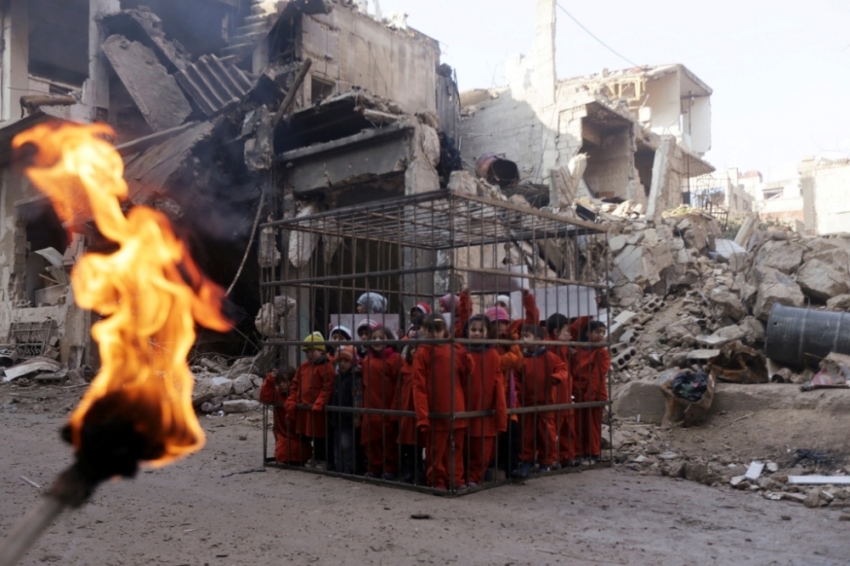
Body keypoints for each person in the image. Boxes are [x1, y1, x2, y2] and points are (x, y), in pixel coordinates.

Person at [412, 314, 471, 491]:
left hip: (456, 406)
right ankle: (437, 480)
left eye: (438, 330)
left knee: (456, 448)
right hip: (435, 410)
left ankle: (456, 478)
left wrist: (465, 356)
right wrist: (423, 416)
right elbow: (418, 386)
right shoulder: (422, 352)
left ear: (444, 331)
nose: (434, 334)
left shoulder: (455, 349)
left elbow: (467, 372)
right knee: (436, 450)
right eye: (431, 330)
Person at [516, 324, 568, 478]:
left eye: (526, 336)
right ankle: (526, 460)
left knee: (547, 434)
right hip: (527, 404)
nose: (522, 339)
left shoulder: (549, 357)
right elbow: (517, 379)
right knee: (526, 434)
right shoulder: (521, 358)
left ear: (538, 339)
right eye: (522, 336)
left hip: (546, 403)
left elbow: (562, 369)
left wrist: (557, 378)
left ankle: (546, 461)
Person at [462, 315, 508, 487]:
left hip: (485, 404)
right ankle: (463, 475)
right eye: (473, 330)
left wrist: (500, 411)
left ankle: (475, 476)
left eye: (481, 330)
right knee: (462, 444)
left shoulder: (492, 354)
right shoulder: (460, 351)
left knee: (481, 447)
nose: (477, 333)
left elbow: (498, 383)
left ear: (488, 333)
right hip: (464, 403)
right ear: (467, 331)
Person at [284, 332, 336, 470]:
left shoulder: (327, 368)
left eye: (312, 350)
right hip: (305, 409)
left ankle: (324, 460)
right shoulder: (304, 367)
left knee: (321, 437)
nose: (309, 354)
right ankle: (310, 457)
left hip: (318, 410)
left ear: (321, 350)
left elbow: (327, 388)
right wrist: (292, 400)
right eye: (307, 351)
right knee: (308, 435)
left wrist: (319, 403)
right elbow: (295, 385)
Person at [360, 324, 401, 480]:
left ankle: (390, 467)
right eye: (374, 338)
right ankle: (374, 466)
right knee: (371, 439)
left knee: (389, 439)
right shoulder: (366, 361)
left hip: (387, 405)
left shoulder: (395, 360)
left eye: (381, 338)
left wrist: (395, 408)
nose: (377, 341)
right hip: (370, 406)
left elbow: (399, 385)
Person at [571, 320, 610, 462]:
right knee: (579, 422)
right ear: (588, 333)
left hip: (595, 393)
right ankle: (581, 451)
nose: (601, 335)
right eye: (597, 332)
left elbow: (597, 375)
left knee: (592, 423)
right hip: (579, 392)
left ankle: (593, 451)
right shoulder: (578, 350)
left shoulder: (602, 353)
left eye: (603, 332)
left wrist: (590, 393)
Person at [259, 367, 311, 465]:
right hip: (283, 433)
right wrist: (270, 379)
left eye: (285, 381)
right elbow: (265, 397)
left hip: (298, 433)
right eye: (279, 382)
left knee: (299, 452)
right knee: (282, 454)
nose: (281, 385)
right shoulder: (278, 393)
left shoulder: (299, 394)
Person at [546, 313, 576, 467]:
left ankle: (566, 456)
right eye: (566, 331)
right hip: (556, 394)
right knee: (553, 429)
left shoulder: (561, 345)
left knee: (567, 427)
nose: (570, 335)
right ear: (556, 332)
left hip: (565, 393)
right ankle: (551, 459)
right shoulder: (551, 346)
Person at [396, 326, 425, 484]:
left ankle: (419, 471)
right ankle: (409, 471)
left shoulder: (424, 367)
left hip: (418, 409)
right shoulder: (405, 367)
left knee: (419, 444)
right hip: (406, 408)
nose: (414, 351)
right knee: (407, 444)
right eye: (412, 348)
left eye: (418, 348)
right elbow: (398, 389)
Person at [330, 345, 362, 475]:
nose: (342, 364)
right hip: (338, 416)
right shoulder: (339, 377)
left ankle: (349, 469)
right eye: (340, 361)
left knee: (347, 445)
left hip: (348, 418)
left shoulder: (354, 378)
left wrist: (357, 416)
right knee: (338, 444)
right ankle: (339, 467)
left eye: (346, 361)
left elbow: (358, 399)